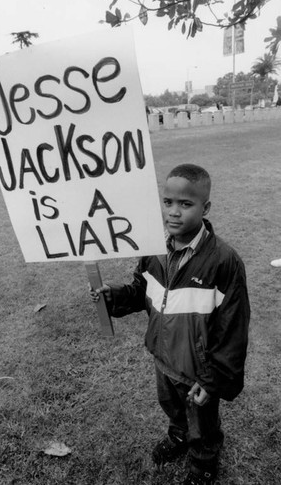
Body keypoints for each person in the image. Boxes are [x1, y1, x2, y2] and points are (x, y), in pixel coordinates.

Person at [89, 164, 250, 485]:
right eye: (168, 202)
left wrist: (212, 378)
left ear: (205, 208)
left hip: (197, 368)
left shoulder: (223, 261)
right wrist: (115, 296)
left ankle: (204, 459)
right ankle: (178, 435)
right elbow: (142, 291)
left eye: (186, 204)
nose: (174, 213)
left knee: (202, 421)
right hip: (164, 357)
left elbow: (232, 328)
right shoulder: (154, 249)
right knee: (173, 407)